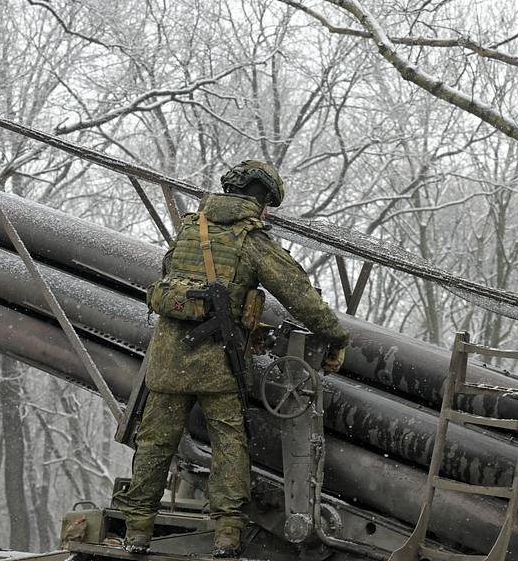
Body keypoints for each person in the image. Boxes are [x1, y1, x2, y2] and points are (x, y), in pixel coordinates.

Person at [112, 160, 349, 558]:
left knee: (155, 443)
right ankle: (226, 534)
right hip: (218, 362)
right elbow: (298, 293)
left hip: (168, 360)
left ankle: (137, 531)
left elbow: (169, 276)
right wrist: (336, 335)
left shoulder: (190, 229)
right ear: (260, 202)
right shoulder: (250, 240)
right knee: (229, 445)